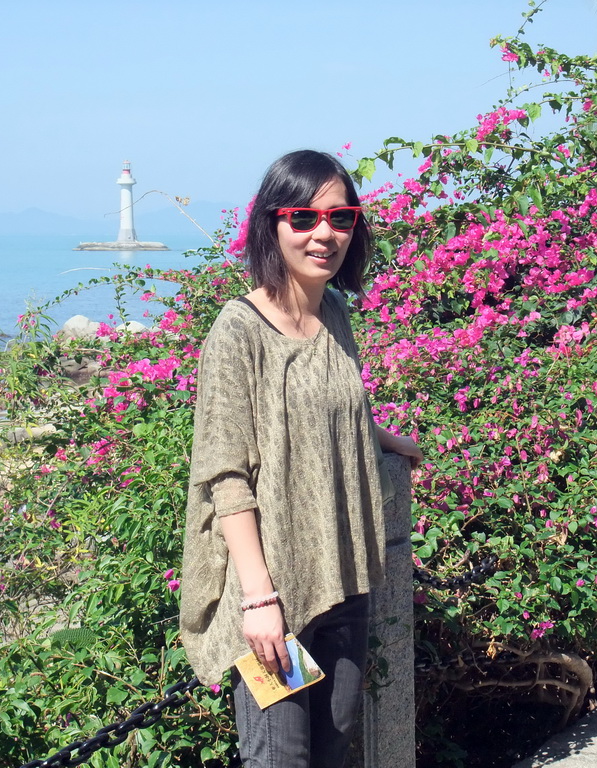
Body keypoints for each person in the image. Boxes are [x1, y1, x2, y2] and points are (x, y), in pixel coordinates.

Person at [180, 149, 422, 767]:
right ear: (272, 225)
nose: (325, 234)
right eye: (304, 217)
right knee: (279, 757)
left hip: (343, 576)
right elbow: (225, 476)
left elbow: (335, 399)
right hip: (274, 594)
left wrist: (382, 436)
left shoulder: (335, 313)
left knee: (337, 743)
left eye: (341, 219)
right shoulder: (237, 331)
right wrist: (259, 601)